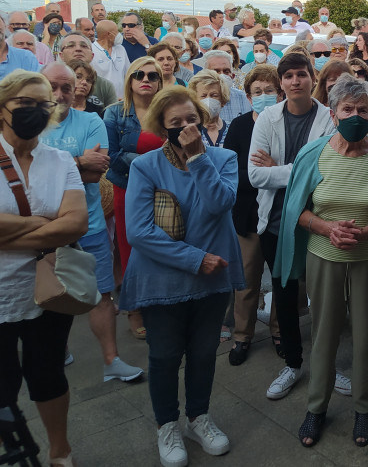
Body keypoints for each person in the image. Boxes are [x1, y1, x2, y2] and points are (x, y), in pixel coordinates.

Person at [274, 74, 368, 448]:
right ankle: (316, 407)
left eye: (363, 109)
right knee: (324, 335)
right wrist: (325, 228)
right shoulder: (312, 154)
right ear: (333, 113)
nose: (355, 115)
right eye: (347, 109)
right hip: (324, 258)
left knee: (367, 337)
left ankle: (363, 410)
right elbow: (295, 210)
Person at [119, 86, 243, 467]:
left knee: (205, 352)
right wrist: (194, 259)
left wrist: (198, 158)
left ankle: (198, 417)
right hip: (162, 277)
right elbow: (139, 231)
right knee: (165, 355)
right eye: (176, 123)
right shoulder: (145, 165)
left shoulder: (223, 158)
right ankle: (167, 424)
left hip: (214, 276)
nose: (186, 127)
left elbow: (221, 202)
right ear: (161, 127)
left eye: (192, 119)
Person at [0, 69, 88, 467]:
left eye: (43, 104)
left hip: (49, 290)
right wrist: (45, 226)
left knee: (48, 374)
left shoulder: (60, 160)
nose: (36, 110)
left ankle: (60, 450)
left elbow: (76, 224)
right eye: (25, 104)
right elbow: (60, 226)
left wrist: (11, 233)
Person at [39, 64, 144, 384]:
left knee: (102, 295)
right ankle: (55, 353)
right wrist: (77, 162)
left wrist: (54, 167)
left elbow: (95, 173)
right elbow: (30, 173)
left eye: (66, 87)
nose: (59, 94)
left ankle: (111, 360)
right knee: (46, 295)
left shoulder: (90, 121)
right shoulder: (30, 125)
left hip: (90, 225)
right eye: (52, 87)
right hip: (42, 229)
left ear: (76, 90)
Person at [248, 53, 335, 401]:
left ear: (312, 79)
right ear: (281, 82)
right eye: (289, 76)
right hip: (276, 224)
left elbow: (327, 172)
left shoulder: (328, 117)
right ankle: (294, 363)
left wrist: (279, 168)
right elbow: (256, 175)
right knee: (284, 296)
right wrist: (298, 169)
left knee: (324, 297)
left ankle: (329, 365)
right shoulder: (268, 118)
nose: (295, 81)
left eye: (302, 74)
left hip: (318, 221)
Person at [224, 64, 282, 366]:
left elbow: (293, 169)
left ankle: (279, 331)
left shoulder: (285, 123)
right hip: (247, 215)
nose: (263, 96)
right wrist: (267, 173)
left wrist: (271, 172)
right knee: (246, 280)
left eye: (269, 91)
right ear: (248, 96)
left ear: (279, 92)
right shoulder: (240, 125)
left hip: (280, 214)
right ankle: (242, 337)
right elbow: (233, 172)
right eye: (257, 92)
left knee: (282, 278)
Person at [104, 57, 165, 339]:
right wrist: (149, 164)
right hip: (127, 190)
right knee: (129, 250)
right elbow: (112, 156)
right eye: (139, 74)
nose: (146, 79)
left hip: (164, 191)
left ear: (160, 83)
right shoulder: (114, 113)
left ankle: (158, 302)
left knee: (161, 246)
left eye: (153, 76)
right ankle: (134, 309)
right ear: (129, 79)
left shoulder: (167, 111)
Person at [59, 33, 117, 107]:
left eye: (84, 46)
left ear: (92, 56)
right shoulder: (52, 82)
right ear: (61, 55)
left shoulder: (105, 86)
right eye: (71, 45)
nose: (78, 49)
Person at [202, 50, 251, 125]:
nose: (221, 75)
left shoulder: (244, 99)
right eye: (216, 71)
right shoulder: (197, 100)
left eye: (226, 71)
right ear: (205, 75)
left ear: (232, 76)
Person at [188, 69, 230, 148]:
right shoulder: (188, 132)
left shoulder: (232, 130)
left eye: (214, 95)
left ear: (222, 100)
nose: (208, 99)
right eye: (203, 96)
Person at [92, 19, 129, 98]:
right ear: (108, 34)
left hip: (121, 100)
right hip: (100, 100)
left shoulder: (121, 49)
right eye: (116, 32)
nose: (119, 34)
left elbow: (128, 73)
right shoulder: (91, 50)